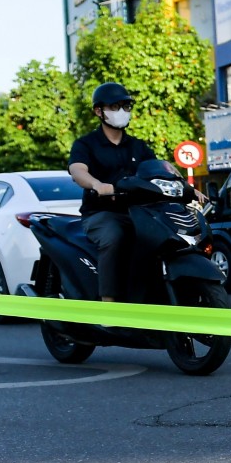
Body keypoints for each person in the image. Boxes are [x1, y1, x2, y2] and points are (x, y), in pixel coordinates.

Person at [69, 82, 156, 302]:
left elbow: (159, 170)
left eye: (126, 107)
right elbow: (77, 170)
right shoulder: (86, 144)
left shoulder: (139, 146)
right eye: (115, 107)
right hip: (101, 213)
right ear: (99, 111)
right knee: (114, 236)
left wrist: (187, 188)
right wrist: (96, 184)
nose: (122, 112)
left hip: (139, 213)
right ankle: (109, 304)